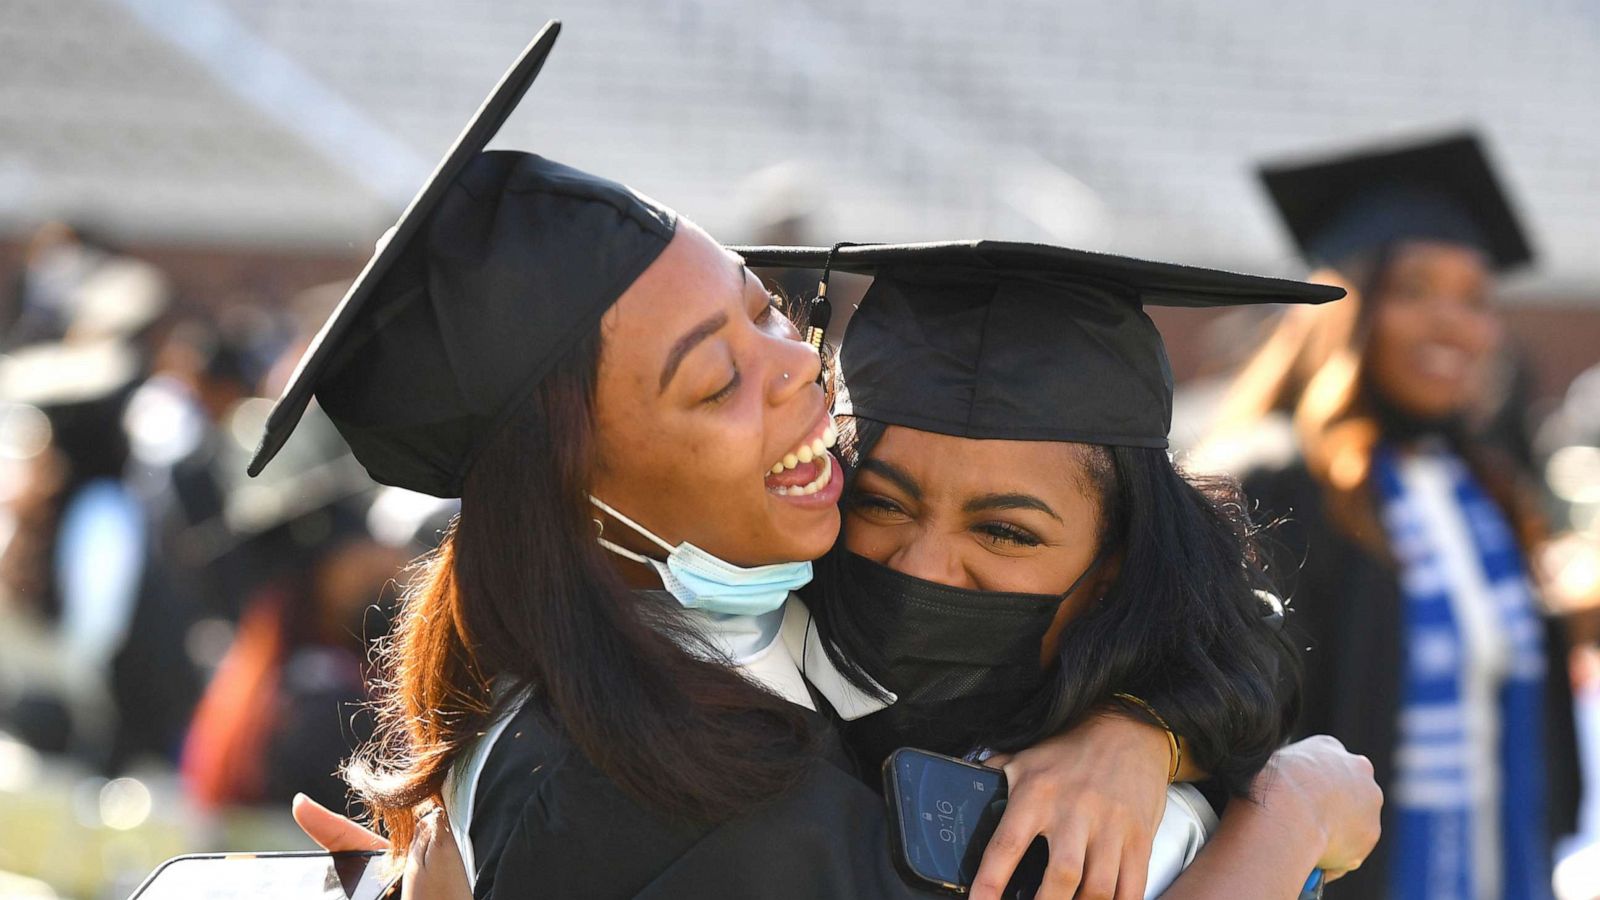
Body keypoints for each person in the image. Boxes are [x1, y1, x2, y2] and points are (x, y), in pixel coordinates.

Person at [262, 22, 1380, 900]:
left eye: (770, 313)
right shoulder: (660, 781)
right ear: (579, 491)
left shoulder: (731, 652)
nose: (796, 372)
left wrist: (1146, 734)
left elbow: (1225, 632)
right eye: (712, 380)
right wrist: (1288, 815)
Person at [741, 241, 1358, 898]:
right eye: (881, 503)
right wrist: (1295, 814)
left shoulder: (1168, 799)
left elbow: (1245, 659)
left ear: (1113, 566)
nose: (924, 566)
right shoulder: (739, 686)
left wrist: (1147, 736)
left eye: (1003, 531)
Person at [1204, 131, 1581, 899]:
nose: (1454, 323)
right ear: (1342, 308)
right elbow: (1239, 723)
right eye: (1414, 291)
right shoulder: (1274, 480)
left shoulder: (1483, 491)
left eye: (1475, 299)